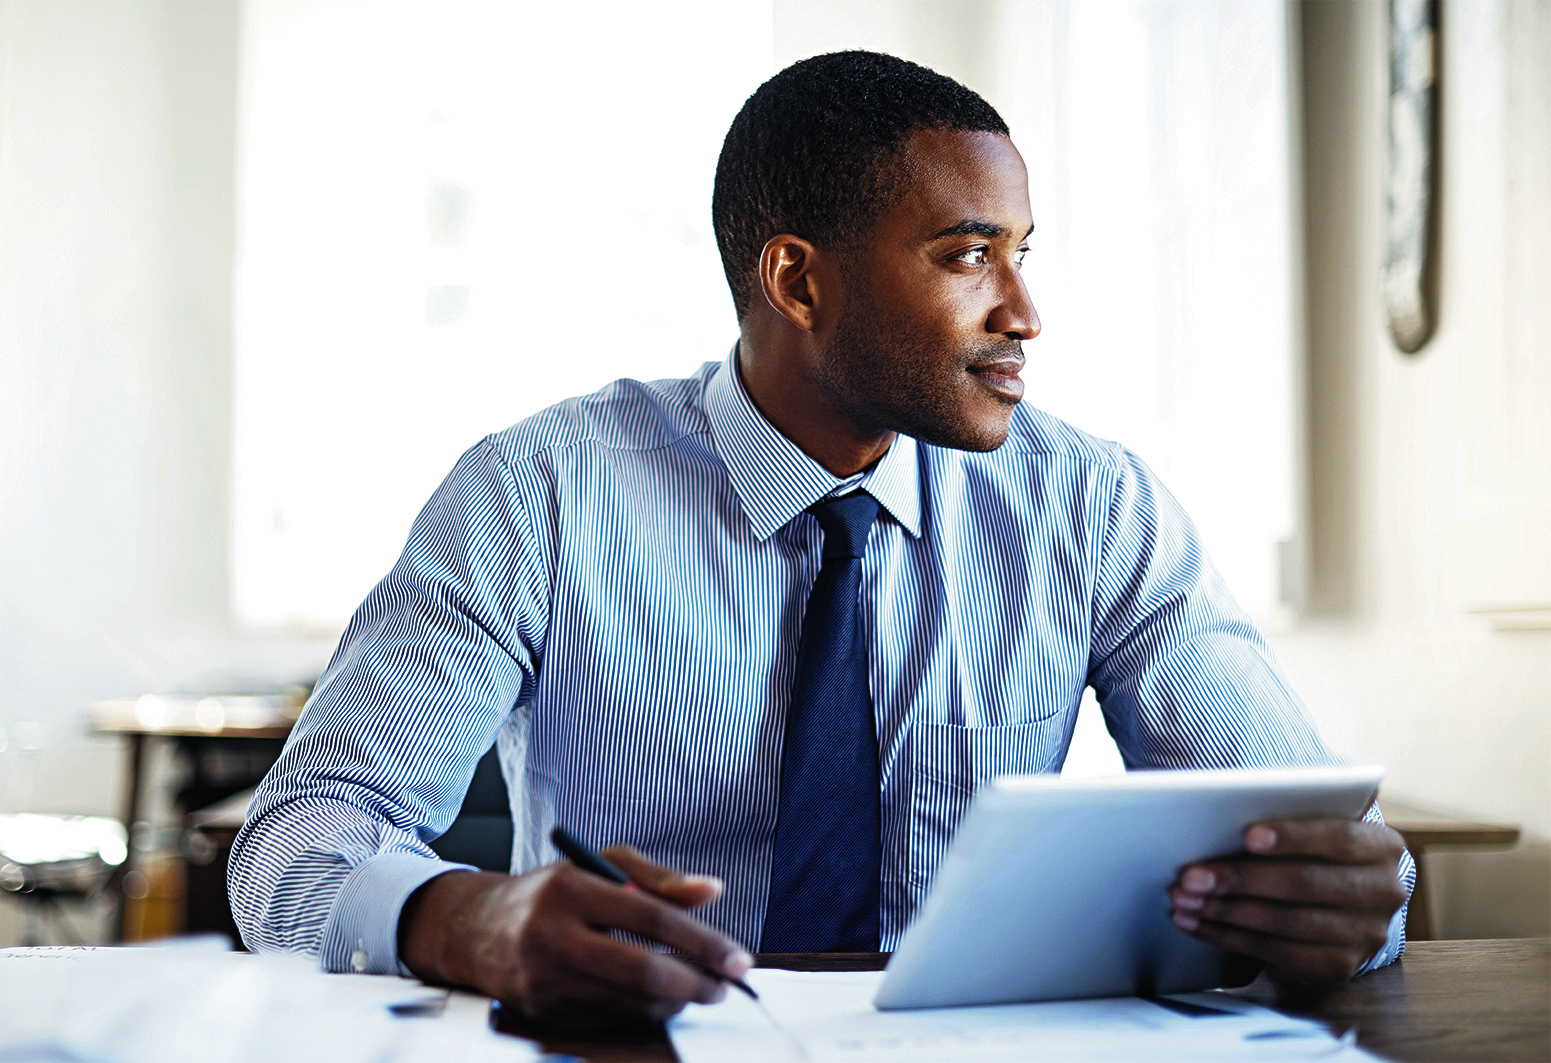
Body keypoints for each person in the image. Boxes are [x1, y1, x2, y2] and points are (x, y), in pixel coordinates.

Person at [229, 50, 1412, 1027]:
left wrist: (1361, 896)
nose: (1025, 314)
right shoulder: (536, 493)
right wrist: (464, 916)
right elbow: (296, 836)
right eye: (966, 255)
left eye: (1023, 251)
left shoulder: (1092, 507)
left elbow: (1326, 843)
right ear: (798, 282)